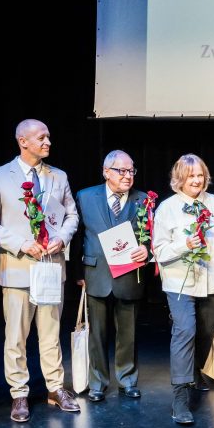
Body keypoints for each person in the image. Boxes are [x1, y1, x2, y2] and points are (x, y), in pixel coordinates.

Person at [0, 119, 80, 422]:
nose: (48, 142)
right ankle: (19, 393)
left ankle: (55, 388)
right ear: (22, 141)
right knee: (16, 335)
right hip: (18, 266)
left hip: (51, 266)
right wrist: (21, 244)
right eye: (41, 137)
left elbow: (72, 216)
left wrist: (61, 238)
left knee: (51, 333)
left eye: (48, 136)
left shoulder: (58, 176)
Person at [153, 154, 214, 425]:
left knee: (207, 330)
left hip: (211, 279)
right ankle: (180, 396)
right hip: (180, 281)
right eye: (191, 177)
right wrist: (184, 245)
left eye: (200, 175)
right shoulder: (167, 208)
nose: (197, 181)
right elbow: (160, 251)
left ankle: (196, 369)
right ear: (179, 179)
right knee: (185, 329)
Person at [75, 149, 149, 401]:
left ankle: (127, 379)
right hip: (96, 273)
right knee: (96, 334)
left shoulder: (143, 200)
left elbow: (152, 236)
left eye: (131, 171)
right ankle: (97, 383)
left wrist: (147, 250)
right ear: (106, 172)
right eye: (121, 171)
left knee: (128, 333)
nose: (128, 176)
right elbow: (77, 237)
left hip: (129, 273)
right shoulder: (85, 197)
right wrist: (78, 272)